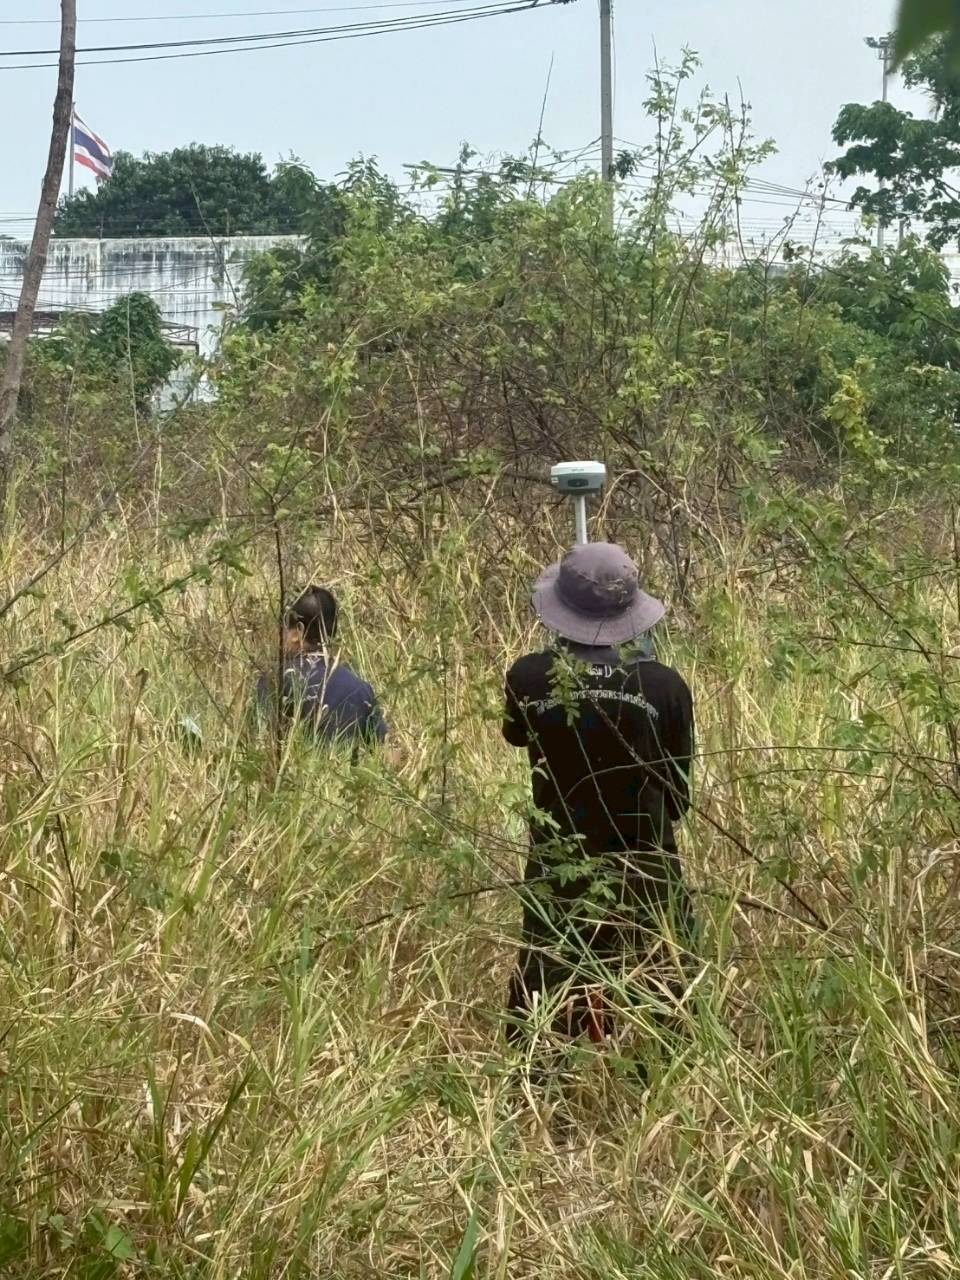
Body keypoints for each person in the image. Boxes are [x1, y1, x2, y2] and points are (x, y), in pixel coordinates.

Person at [502, 541, 695, 1063]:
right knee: (664, 970)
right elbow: (678, 792)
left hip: (557, 854)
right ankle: (662, 1071)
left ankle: (536, 1076)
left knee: (546, 963)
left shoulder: (526, 677)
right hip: (645, 854)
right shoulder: (665, 686)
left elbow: (517, 737)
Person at [257, 585, 387, 750]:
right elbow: (384, 751)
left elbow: (258, 742)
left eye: (283, 627)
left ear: (298, 632)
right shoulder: (361, 688)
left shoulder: (276, 680)